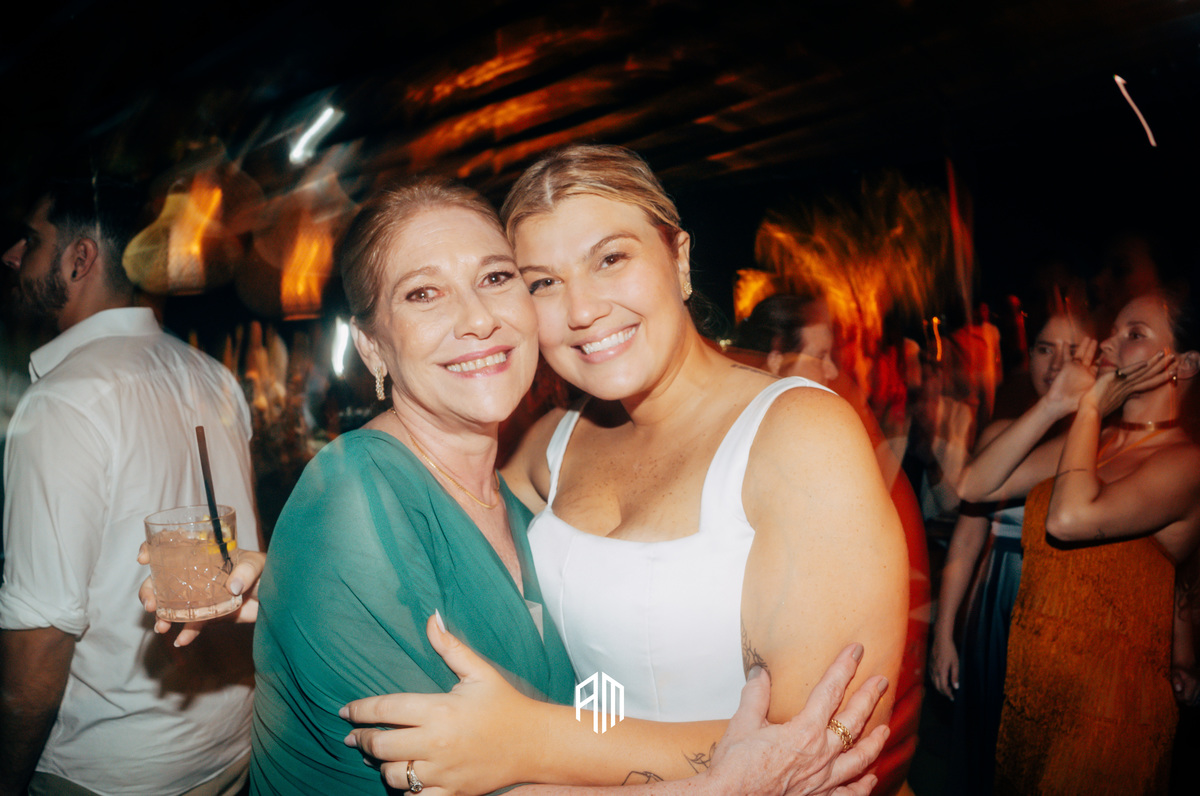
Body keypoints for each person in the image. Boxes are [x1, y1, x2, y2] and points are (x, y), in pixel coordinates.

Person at [242, 176, 889, 796]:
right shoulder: (356, 499)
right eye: (423, 293)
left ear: (680, 258)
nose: (477, 320)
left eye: (497, 278)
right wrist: (723, 785)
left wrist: (289, 574)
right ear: (371, 347)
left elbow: (588, 698)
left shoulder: (522, 474)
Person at [0, 178, 260, 796]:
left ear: (79, 258)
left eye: (31, 240)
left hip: (114, 769)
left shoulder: (63, 400)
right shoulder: (214, 375)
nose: (11, 255)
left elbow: (40, 638)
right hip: (233, 745)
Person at [957, 287, 1200, 794]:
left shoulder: (1185, 463)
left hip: (1109, 719)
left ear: (1185, 363)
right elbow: (976, 486)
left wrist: (1089, 408)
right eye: (1115, 330)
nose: (1108, 343)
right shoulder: (1096, 442)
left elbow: (1069, 518)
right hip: (1033, 701)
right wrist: (1054, 404)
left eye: (1135, 334)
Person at [731, 291, 931, 796]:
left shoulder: (834, 435)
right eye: (819, 355)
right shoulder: (754, 452)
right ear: (774, 358)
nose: (832, 370)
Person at [929, 306, 1087, 795]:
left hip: (1069, 614)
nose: (1056, 364)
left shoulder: (1105, 444)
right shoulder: (1001, 435)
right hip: (998, 603)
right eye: (1044, 349)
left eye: (1072, 351)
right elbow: (967, 537)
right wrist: (944, 634)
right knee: (987, 749)